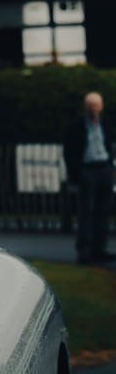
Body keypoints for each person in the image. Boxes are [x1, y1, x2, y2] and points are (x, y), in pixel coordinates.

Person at [64, 92, 116, 264]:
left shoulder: (105, 124)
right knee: (87, 211)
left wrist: (111, 167)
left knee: (103, 211)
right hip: (87, 170)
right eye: (91, 105)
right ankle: (84, 251)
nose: (94, 108)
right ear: (86, 107)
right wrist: (76, 173)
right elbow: (70, 151)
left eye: (96, 105)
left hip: (103, 168)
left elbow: (109, 145)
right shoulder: (78, 126)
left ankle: (99, 248)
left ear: (101, 107)